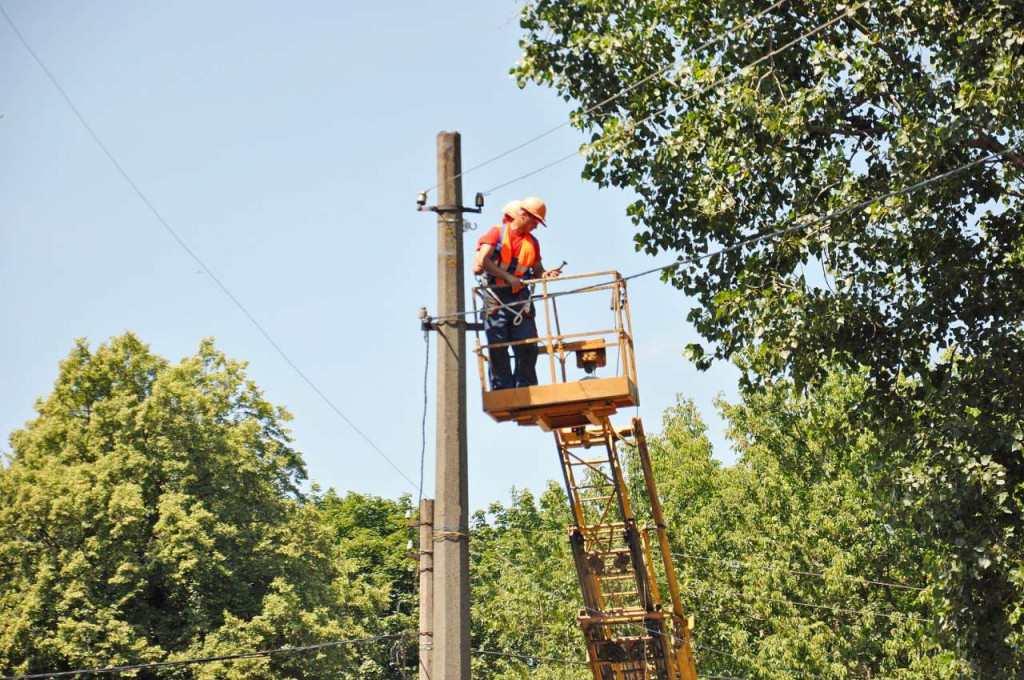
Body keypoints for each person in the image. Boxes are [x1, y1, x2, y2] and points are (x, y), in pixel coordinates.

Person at [473, 196, 560, 390]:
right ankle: (503, 388)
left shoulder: (533, 243)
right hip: (495, 295)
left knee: (527, 344)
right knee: (498, 346)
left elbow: (537, 269)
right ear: (522, 215)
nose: (536, 226)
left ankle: (525, 386)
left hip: (520, 296)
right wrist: (507, 276)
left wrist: (546, 274)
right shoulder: (496, 234)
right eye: (534, 221)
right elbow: (483, 260)